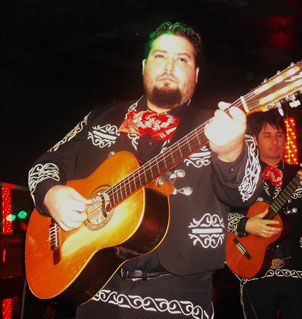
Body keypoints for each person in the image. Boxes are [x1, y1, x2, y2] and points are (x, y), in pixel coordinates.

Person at [27, 21, 263, 318]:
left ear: (196, 74)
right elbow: (45, 164)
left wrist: (231, 151)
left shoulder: (222, 127)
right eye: (159, 56)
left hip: (179, 299)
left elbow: (245, 193)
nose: (169, 65)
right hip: (93, 289)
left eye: (182, 59)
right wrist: (51, 195)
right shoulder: (101, 118)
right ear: (143, 66)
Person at [227, 110, 302, 319]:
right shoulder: (241, 179)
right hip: (253, 272)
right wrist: (247, 224)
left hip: (297, 273)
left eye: (280, 135)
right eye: (267, 135)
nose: (275, 141)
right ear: (255, 140)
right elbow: (223, 219)